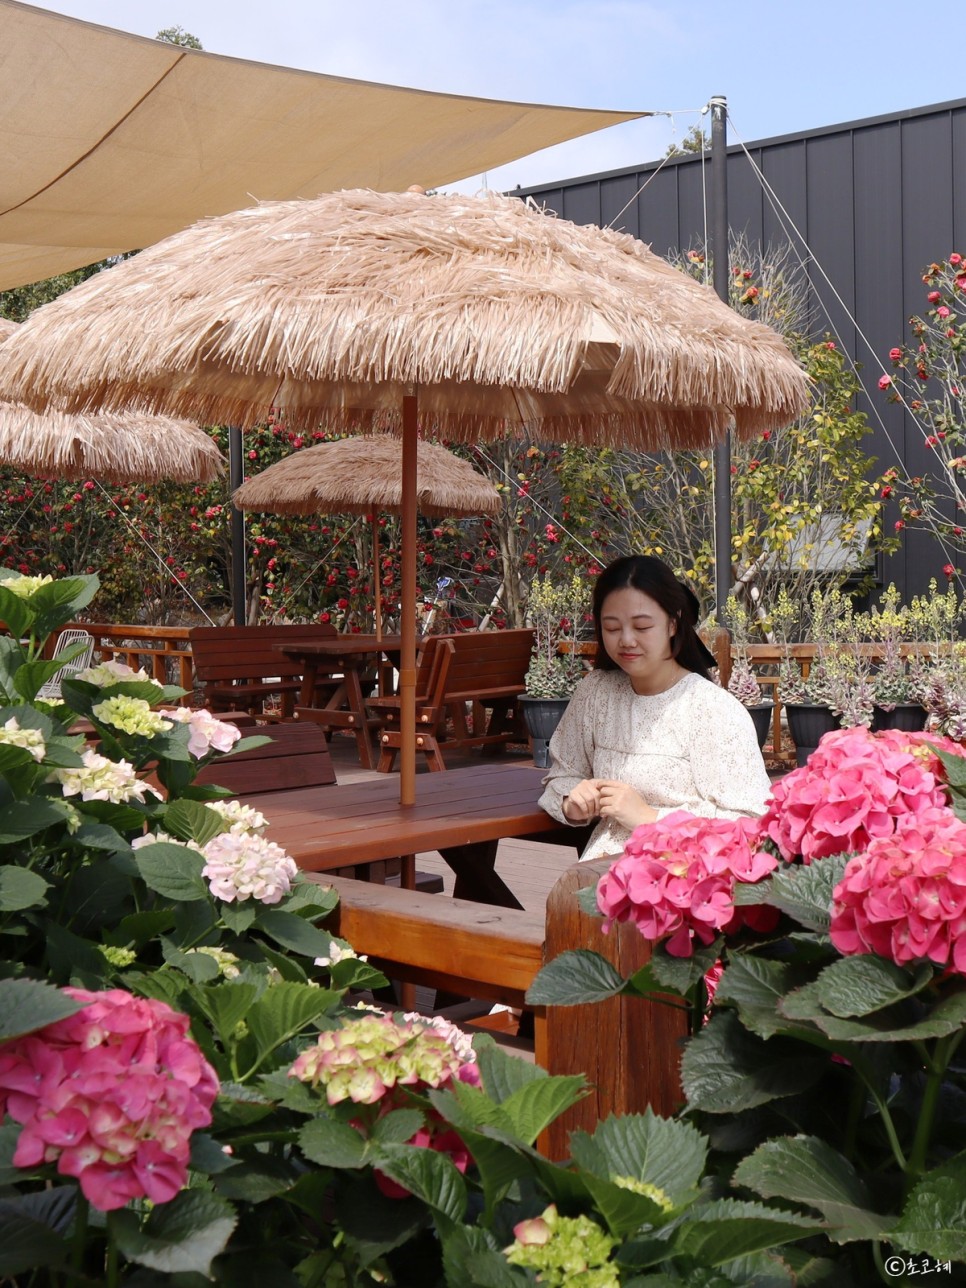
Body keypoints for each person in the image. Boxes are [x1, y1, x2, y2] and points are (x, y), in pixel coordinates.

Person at [538, 555, 772, 863]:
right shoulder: (596, 692)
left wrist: (650, 819)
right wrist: (574, 800)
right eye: (611, 628)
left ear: (673, 623)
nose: (626, 640)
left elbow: (752, 824)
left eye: (642, 626)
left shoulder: (711, 710)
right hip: (601, 874)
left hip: (687, 880)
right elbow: (563, 774)